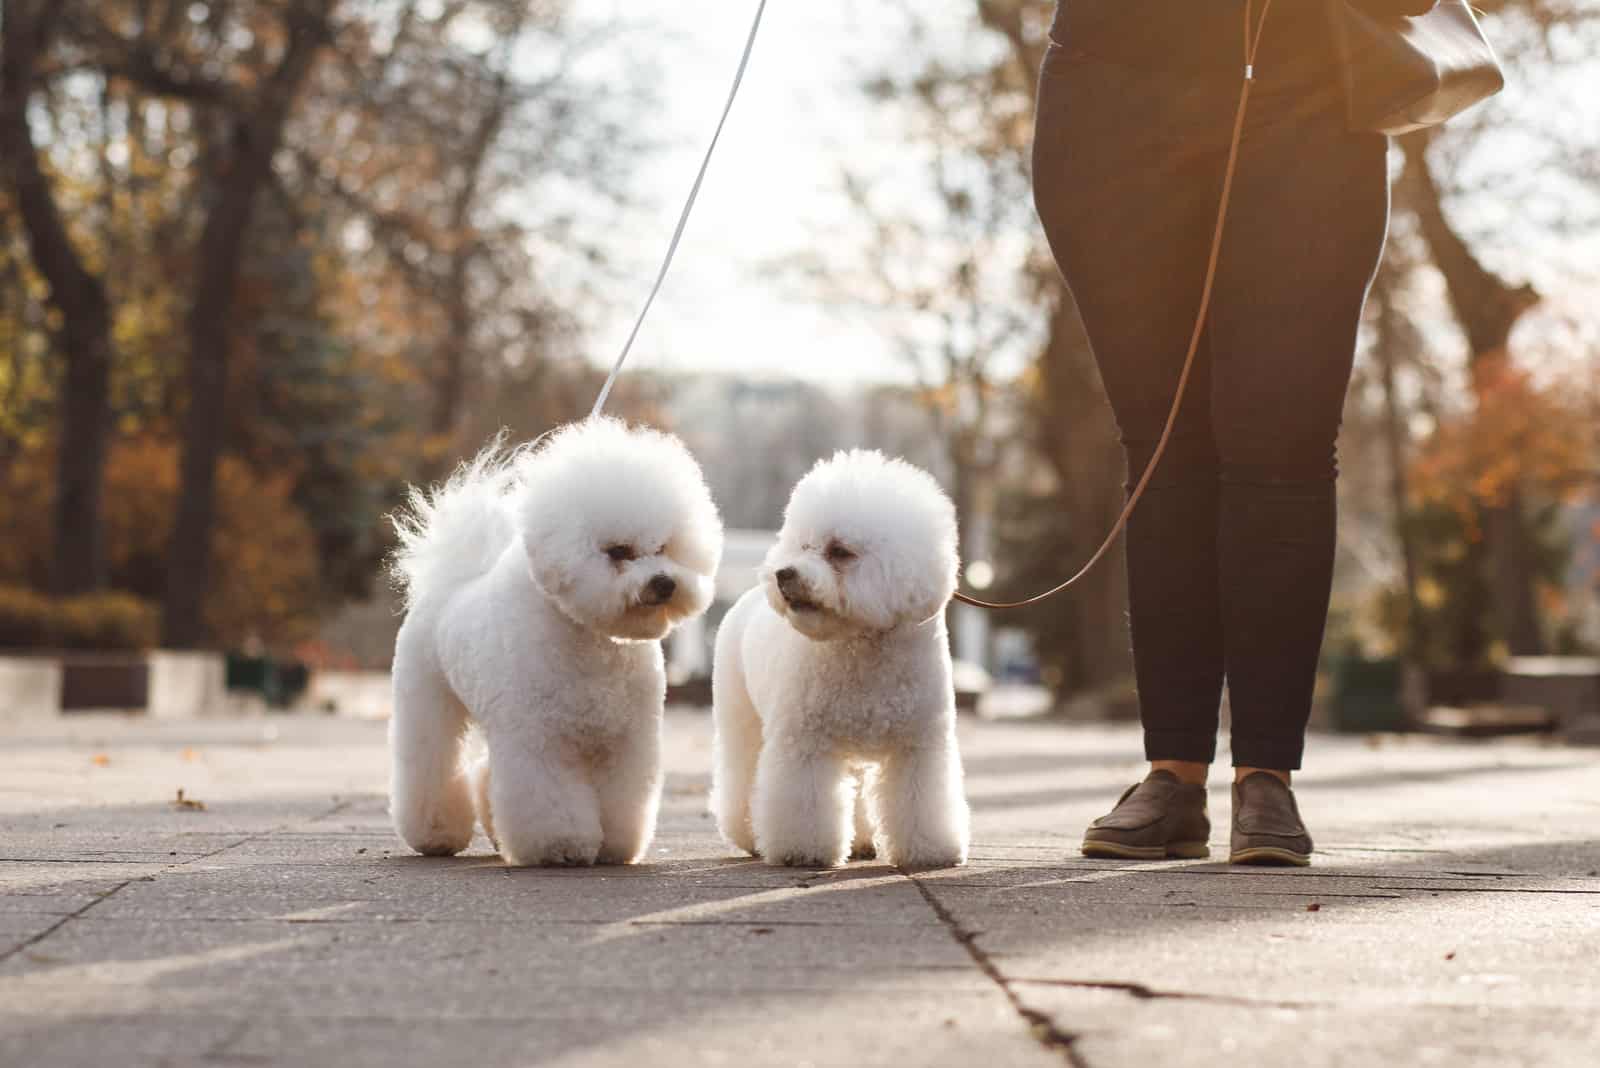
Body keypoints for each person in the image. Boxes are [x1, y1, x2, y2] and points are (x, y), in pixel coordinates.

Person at [1030, 0, 1434, 865]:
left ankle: (1267, 776)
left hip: (1306, 94)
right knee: (1161, 436)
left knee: (1280, 440)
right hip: (1112, 96)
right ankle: (1172, 774)